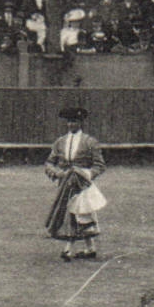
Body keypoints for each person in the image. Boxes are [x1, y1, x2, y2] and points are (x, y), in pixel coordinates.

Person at [44, 106, 107, 260]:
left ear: (81, 123)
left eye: (75, 121)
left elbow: (100, 165)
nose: (71, 125)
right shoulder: (60, 142)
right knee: (71, 213)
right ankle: (89, 248)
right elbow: (49, 163)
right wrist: (59, 173)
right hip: (65, 184)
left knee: (78, 213)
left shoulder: (90, 142)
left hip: (82, 185)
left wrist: (86, 174)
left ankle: (68, 249)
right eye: (69, 122)